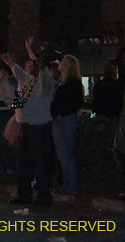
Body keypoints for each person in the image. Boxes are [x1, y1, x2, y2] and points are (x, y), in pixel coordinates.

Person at [7, 36, 56, 206]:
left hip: (39, 128)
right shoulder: (25, 82)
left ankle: (43, 196)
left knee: (40, 164)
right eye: (27, 64)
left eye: (32, 65)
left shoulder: (44, 84)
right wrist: (12, 62)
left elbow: (44, 74)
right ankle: (24, 194)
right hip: (25, 127)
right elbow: (17, 72)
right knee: (23, 164)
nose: (28, 67)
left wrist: (36, 60)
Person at [51, 54, 84, 197]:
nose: (61, 63)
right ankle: (67, 183)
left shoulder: (72, 83)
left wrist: (61, 113)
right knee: (62, 153)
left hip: (65, 119)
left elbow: (75, 102)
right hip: (58, 119)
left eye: (64, 62)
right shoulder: (60, 81)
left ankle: (71, 185)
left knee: (65, 153)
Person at [0, 54, 17, 177]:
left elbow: (11, 100)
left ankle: (9, 165)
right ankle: (4, 165)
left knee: (4, 141)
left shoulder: (8, 80)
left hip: (4, 113)